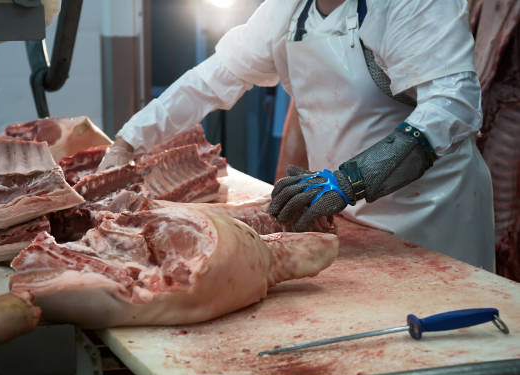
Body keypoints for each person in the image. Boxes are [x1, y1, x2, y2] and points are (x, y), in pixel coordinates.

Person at [100, 0, 495, 272]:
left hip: (433, 216)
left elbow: (452, 106)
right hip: (347, 216)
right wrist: (129, 141)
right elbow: (211, 79)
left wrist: (351, 179)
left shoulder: (408, 5)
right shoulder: (287, 10)